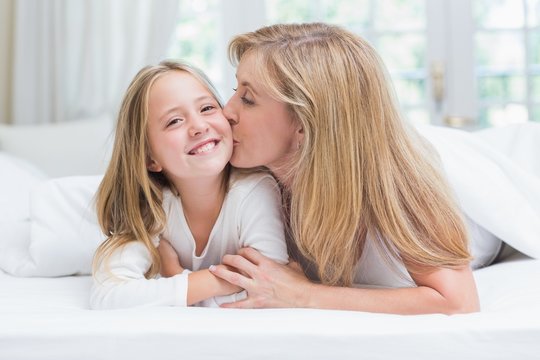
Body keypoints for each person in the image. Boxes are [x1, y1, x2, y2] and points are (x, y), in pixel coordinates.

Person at [204, 22, 482, 314]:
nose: (226, 111)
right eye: (235, 90)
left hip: (475, 182)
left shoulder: (399, 182)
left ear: (304, 123)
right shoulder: (241, 175)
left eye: (248, 99)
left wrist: (304, 294)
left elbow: (458, 301)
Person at [90, 60, 288, 309]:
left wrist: (175, 273)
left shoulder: (254, 191)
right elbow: (109, 296)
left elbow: (271, 291)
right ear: (150, 158)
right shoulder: (151, 206)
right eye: (174, 121)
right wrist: (223, 282)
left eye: (206, 108)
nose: (198, 127)